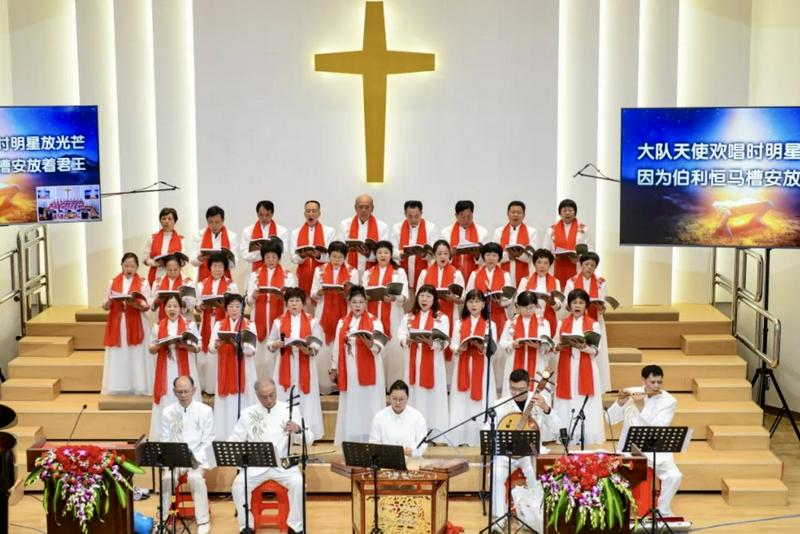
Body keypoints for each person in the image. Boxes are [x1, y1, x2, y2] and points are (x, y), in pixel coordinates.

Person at [229, 378, 312, 534]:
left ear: (276, 391)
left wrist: (298, 430)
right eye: (264, 396)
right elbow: (234, 441)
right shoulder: (247, 413)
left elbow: (309, 439)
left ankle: (295, 526)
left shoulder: (290, 410)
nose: (269, 399)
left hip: (283, 466)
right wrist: (241, 458)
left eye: (272, 395)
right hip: (256, 467)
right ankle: (246, 526)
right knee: (238, 486)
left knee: (298, 483)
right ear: (257, 395)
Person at [488, 369, 561, 532]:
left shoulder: (539, 401)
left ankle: (537, 517)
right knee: (496, 474)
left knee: (536, 476)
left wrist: (546, 408)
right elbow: (488, 428)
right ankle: (499, 519)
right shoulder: (501, 403)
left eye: (521, 389)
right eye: (512, 389)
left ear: (529, 386)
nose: (516, 393)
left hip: (531, 452)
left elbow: (557, 428)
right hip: (507, 452)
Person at [607, 365, 682, 518]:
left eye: (659, 382)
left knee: (675, 476)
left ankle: (663, 511)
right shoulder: (632, 392)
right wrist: (619, 403)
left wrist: (641, 406)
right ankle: (621, 512)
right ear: (643, 380)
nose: (656, 386)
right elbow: (610, 419)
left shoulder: (669, 401)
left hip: (656, 450)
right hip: (629, 449)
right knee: (613, 475)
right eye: (652, 382)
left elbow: (658, 427)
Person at [268, 288, 325, 442]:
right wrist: (276, 344)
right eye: (291, 301)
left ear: (303, 303)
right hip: (284, 363)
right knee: (284, 397)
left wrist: (308, 349)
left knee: (306, 397)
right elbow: (269, 343)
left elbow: (318, 343)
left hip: (305, 363)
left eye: (297, 301)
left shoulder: (312, 321)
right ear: (286, 303)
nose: (294, 304)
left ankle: (306, 434)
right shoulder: (278, 321)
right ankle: (283, 433)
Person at [332, 285, 387, 445]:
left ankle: (373, 437)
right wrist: (334, 368)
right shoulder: (342, 322)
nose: (357, 305)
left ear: (366, 303)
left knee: (370, 401)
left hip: (370, 367)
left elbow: (380, 346)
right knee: (353, 402)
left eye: (361, 302)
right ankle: (353, 437)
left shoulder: (375, 321)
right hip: (349, 368)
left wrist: (370, 344)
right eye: (354, 302)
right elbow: (337, 346)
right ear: (349, 303)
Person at [159, 376, 214, 534]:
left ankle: (203, 520)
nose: (183, 395)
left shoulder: (205, 411)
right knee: (167, 479)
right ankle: (163, 519)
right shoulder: (167, 412)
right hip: (175, 458)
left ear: (194, 390)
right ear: (174, 392)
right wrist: (173, 457)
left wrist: (195, 458)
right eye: (179, 392)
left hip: (197, 458)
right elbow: (165, 439)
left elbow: (209, 440)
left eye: (186, 391)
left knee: (195, 478)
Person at [552, 289, 604, 446]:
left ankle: (586, 434)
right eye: (574, 302)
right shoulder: (561, 323)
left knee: (584, 398)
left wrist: (584, 347)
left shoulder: (593, 324)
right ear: (569, 305)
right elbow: (555, 344)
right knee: (566, 399)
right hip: (566, 366)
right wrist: (558, 347)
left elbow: (596, 350)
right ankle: (566, 433)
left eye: (581, 303)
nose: (577, 305)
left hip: (586, 366)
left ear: (586, 305)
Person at [397, 285, 449, 437]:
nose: (424, 299)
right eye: (421, 296)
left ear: (434, 299)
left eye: (428, 296)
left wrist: (431, 342)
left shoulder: (441, 318)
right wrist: (405, 340)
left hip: (433, 364)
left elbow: (445, 341)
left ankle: (433, 432)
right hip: (413, 362)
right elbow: (401, 333)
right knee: (414, 394)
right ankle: (413, 433)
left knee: (432, 397)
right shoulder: (409, 317)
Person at [147, 294, 201, 440]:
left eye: (175, 306)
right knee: (167, 398)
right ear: (164, 308)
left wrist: (185, 345)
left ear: (181, 309)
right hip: (166, 369)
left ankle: (189, 436)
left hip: (186, 367)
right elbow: (151, 349)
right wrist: (160, 344)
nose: (172, 309)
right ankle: (166, 437)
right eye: (169, 306)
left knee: (186, 397)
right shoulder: (158, 326)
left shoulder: (190, 325)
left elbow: (198, 347)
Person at [448, 289, 498, 446]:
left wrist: (481, 346)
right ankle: (460, 438)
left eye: (477, 301)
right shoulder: (459, 323)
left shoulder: (490, 325)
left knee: (480, 400)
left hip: (482, 366)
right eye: (470, 301)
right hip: (463, 365)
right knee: (461, 400)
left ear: (483, 304)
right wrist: (459, 348)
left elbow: (493, 349)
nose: (473, 305)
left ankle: (479, 438)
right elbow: (453, 344)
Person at [310, 241, 358, 394]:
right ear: (329, 256)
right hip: (323, 313)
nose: (336, 260)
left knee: (341, 346)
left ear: (345, 257)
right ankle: (323, 384)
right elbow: (313, 293)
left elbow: (356, 297)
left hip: (344, 312)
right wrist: (320, 292)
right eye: (333, 256)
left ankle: (341, 384)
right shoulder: (319, 270)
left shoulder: (352, 271)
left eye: (340, 257)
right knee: (324, 348)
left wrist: (345, 294)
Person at [208, 293, 258, 441]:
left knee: (245, 400)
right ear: (225, 309)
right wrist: (217, 344)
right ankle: (225, 435)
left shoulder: (250, 325)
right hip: (225, 368)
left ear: (242, 308)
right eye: (230, 306)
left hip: (244, 370)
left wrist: (239, 345)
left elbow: (252, 350)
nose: (234, 309)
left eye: (237, 306)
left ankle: (246, 436)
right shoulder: (219, 325)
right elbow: (210, 348)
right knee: (226, 402)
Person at [101, 252, 152, 396]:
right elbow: (105, 306)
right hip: (118, 322)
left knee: (136, 354)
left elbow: (147, 306)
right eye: (126, 265)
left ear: (137, 267)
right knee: (120, 354)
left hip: (137, 321)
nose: (129, 268)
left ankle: (139, 386)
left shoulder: (143, 283)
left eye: (132, 266)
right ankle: (119, 386)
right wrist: (112, 300)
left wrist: (135, 304)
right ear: (122, 266)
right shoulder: (113, 282)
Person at [246, 240, 297, 380]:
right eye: (267, 257)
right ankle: (260, 382)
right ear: (263, 257)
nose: (270, 260)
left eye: (274, 257)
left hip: (279, 318)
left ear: (279, 257)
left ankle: (277, 382)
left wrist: (284, 297)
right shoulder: (255, 275)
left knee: (277, 352)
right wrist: (253, 296)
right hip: (259, 318)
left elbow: (293, 300)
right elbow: (248, 302)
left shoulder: (287, 275)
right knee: (260, 355)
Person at [416, 240, 465, 386]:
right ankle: (431, 379)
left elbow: (462, 298)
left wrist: (453, 298)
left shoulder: (456, 273)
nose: (442, 256)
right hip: (429, 315)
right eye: (439, 253)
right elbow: (419, 294)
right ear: (434, 255)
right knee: (432, 345)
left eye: (445, 253)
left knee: (447, 342)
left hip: (450, 313)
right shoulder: (425, 273)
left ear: (450, 255)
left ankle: (447, 384)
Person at [563, 252, 610, 392]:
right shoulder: (571, 281)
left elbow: (603, 303)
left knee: (596, 350)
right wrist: (576, 305)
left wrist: (601, 307)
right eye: (586, 264)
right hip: (576, 320)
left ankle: (597, 385)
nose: (589, 267)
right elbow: (566, 303)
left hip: (595, 321)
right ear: (581, 265)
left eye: (592, 265)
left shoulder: (601, 282)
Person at [364, 241, 409, 387]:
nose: (382, 255)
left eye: (386, 252)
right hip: (373, 314)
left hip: (393, 314)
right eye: (379, 253)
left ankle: (393, 384)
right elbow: (363, 294)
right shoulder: (368, 273)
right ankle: (377, 384)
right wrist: (368, 296)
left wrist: (395, 298)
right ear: (375, 255)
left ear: (391, 255)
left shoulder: (399, 272)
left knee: (394, 348)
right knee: (375, 344)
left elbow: (405, 295)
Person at [466, 242, 514, 373]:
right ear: (483, 256)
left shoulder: (505, 275)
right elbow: (468, 295)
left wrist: (500, 302)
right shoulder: (475, 274)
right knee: (480, 347)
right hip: (479, 315)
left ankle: (496, 380)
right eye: (488, 254)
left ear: (499, 257)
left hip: (498, 314)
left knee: (497, 350)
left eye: (494, 255)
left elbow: (509, 298)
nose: (491, 258)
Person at [196, 253, 238, 395]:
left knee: (221, 351)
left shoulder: (231, 285)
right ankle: (207, 387)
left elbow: (235, 306)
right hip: (207, 321)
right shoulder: (201, 285)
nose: (217, 269)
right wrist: (202, 306)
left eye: (220, 266)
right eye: (215, 266)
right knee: (206, 356)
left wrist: (223, 305)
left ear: (225, 268)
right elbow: (197, 306)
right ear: (210, 267)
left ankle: (221, 385)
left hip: (223, 322)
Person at [499, 292, 553, 399]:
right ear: (518, 306)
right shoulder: (510, 322)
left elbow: (548, 345)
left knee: (536, 394)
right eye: (525, 307)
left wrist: (539, 346)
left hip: (537, 362)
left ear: (536, 306)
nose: (528, 311)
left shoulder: (544, 323)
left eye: (531, 307)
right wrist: (513, 344)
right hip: (515, 361)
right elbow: (502, 343)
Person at [369, 380, 429, 458]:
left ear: (407, 398)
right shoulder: (379, 417)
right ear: (389, 398)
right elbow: (374, 442)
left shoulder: (417, 416)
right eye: (394, 398)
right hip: (386, 459)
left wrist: (412, 450)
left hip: (410, 459)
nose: (397, 402)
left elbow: (423, 442)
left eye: (401, 399)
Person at [542, 199, 592, 290]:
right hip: (557, 266)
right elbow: (545, 251)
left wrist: (579, 259)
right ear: (560, 213)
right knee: (557, 292)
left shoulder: (584, 230)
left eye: (570, 210)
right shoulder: (551, 230)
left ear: (575, 213)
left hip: (577, 267)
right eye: (564, 211)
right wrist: (553, 257)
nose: (567, 213)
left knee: (576, 293)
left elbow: (590, 251)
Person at [290, 200, 336, 297]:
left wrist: (319, 256)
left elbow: (332, 256)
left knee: (320, 303)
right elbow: (293, 258)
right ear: (304, 214)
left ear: (319, 214)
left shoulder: (329, 232)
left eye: (314, 211)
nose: (311, 214)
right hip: (302, 276)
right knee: (304, 303)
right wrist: (302, 256)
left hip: (323, 276)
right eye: (308, 211)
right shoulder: (295, 232)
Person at [339, 194, 389, 280]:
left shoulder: (382, 226)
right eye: (360, 207)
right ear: (355, 208)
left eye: (367, 207)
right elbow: (339, 248)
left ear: (372, 208)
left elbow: (385, 252)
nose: (363, 210)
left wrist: (369, 254)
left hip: (372, 271)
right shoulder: (344, 224)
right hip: (349, 270)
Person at [390, 200, 436, 294]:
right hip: (402, 271)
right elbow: (391, 250)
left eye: (416, 216)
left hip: (423, 272)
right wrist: (400, 254)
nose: (413, 220)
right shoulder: (397, 227)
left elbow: (434, 251)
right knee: (404, 299)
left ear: (421, 213)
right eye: (410, 216)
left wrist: (424, 254)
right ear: (405, 214)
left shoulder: (431, 227)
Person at [517, 249, 562, 337]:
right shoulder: (525, 280)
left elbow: (558, 307)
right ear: (534, 264)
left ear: (550, 265)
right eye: (539, 262)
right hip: (528, 318)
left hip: (549, 318)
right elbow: (517, 301)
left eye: (546, 263)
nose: (542, 266)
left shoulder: (556, 281)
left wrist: (552, 302)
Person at [493, 200, 538, 287]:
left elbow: (533, 257)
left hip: (525, 275)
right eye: (513, 212)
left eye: (519, 212)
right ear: (508, 214)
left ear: (524, 215)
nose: (515, 215)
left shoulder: (532, 232)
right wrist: (509, 256)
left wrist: (519, 255)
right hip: (503, 274)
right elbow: (494, 255)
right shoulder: (498, 232)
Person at [441, 200, 488, 282]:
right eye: (462, 217)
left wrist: (477, 255)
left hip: (475, 275)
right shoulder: (446, 232)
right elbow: (440, 256)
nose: (466, 220)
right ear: (456, 215)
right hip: (452, 275)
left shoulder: (482, 232)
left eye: (469, 216)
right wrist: (450, 254)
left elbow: (488, 257)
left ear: (472, 214)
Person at [239, 200, 290, 274]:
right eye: (261, 215)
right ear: (257, 214)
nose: (264, 218)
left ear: (272, 214)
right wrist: (264, 253)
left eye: (267, 215)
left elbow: (283, 253)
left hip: (275, 271)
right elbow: (244, 254)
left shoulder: (282, 231)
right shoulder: (247, 231)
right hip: (253, 273)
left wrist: (262, 251)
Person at [190, 205, 238, 282]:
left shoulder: (231, 236)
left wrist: (225, 261)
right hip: (204, 280)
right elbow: (192, 260)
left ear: (223, 220)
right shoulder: (199, 236)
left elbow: (235, 261)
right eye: (211, 222)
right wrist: (199, 259)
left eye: (217, 222)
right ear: (207, 221)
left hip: (224, 278)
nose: (214, 225)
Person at [143, 207, 184, 285]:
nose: (166, 221)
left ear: (175, 221)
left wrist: (172, 263)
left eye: (169, 219)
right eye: (164, 219)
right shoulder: (152, 238)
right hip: (156, 274)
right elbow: (145, 259)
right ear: (160, 221)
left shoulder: (181, 239)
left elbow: (183, 261)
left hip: (175, 275)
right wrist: (156, 263)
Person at [150, 253, 195, 322]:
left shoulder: (188, 282)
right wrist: (157, 301)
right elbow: (152, 307)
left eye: (175, 270)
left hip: (183, 320)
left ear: (180, 268)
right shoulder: (157, 282)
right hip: (162, 319)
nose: (172, 272)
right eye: (169, 270)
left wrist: (181, 302)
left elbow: (192, 306)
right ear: (165, 268)